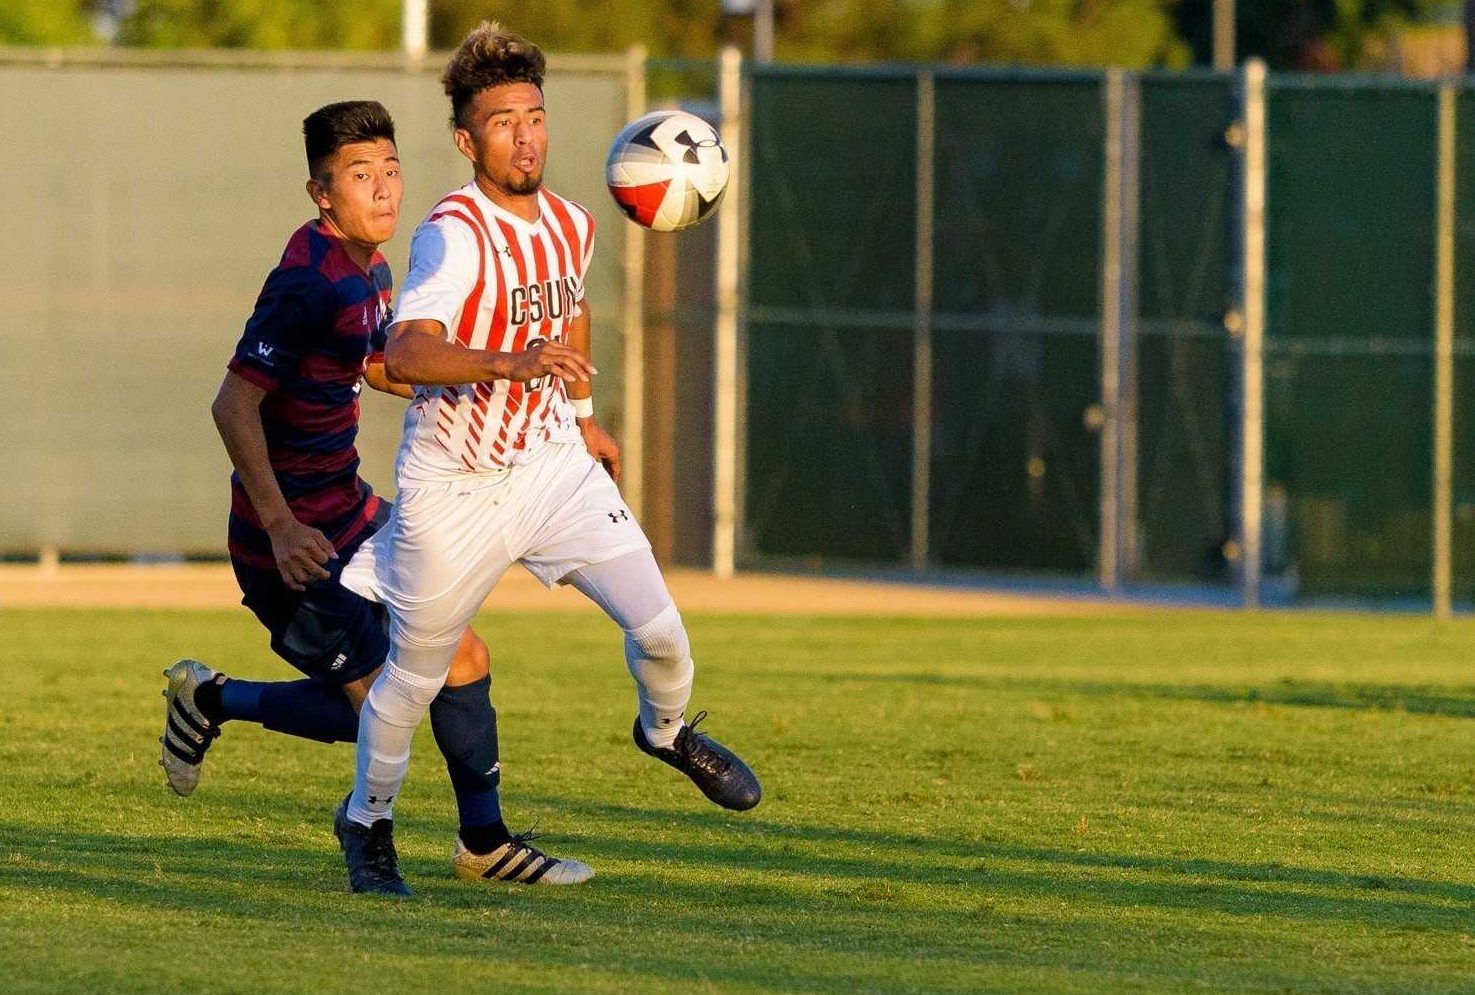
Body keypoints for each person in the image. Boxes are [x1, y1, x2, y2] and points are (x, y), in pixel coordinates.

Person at [332, 22, 761, 895]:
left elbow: (567, 314)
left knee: (661, 630)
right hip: (453, 486)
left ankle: (667, 732)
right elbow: (406, 353)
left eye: (534, 115)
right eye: (502, 121)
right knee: (412, 680)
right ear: (466, 139)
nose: (525, 135)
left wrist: (582, 414)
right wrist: (508, 362)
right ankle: (367, 820)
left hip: (549, 464)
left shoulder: (568, 221)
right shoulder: (452, 234)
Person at [158, 99, 590, 894]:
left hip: (352, 514)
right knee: (372, 709)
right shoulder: (305, 281)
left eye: (390, 170)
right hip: (288, 544)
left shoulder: (372, 267)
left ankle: (486, 843)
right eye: (361, 177)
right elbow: (233, 403)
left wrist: (491, 374)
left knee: (462, 655)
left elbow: (379, 368)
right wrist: (281, 526)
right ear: (323, 194)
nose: (384, 190)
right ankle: (249, 731)